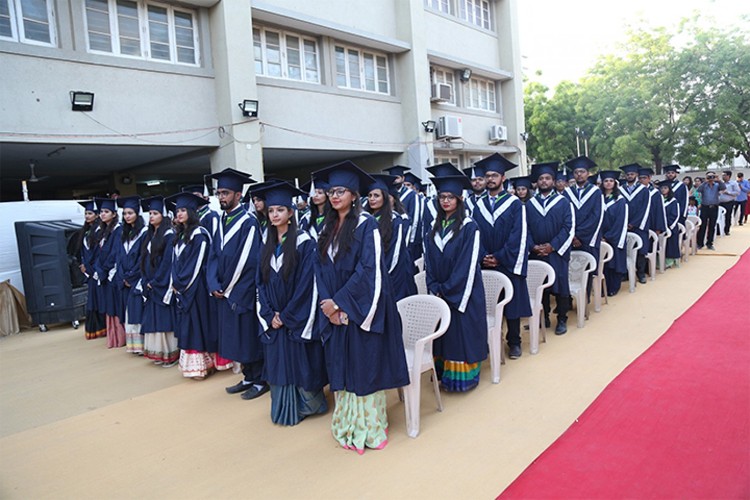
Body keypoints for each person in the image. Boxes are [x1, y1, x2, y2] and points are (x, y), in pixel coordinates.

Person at [313, 161, 409, 454]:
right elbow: (320, 269)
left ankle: (369, 427)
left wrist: (341, 303)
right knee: (343, 365)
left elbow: (369, 271)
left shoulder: (367, 225)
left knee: (363, 366)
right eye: (331, 191)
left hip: (361, 310)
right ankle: (347, 423)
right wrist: (329, 306)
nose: (334, 196)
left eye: (341, 191)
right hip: (336, 310)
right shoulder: (326, 228)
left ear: (355, 195)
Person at [254, 182, 328, 426]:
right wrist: (268, 313)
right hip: (274, 316)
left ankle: (307, 405)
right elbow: (260, 282)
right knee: (277, 361)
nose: (275, 215)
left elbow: (308, 284)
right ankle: (283, 406)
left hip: (294, 316)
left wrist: (285, 316)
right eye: (271, 210)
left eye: (280, 210)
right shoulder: (266, 243)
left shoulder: (304, 242)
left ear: (291, 213)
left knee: (300, 360)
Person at [207, 168, 267, 400]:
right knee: (235, 338)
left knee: (249, 337)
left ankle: (261, 379)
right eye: (219, 193)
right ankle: (248, 375)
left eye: (225, 193)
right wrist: (213, 283)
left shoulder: (248, 222)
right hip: (223, 291)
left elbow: (249, 260)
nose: (221, 197)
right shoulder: (221, 221)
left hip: (243, 292)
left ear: (238, 195)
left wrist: (229, 288)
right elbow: (212, 256)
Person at [423, 175, 487, 389]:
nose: (446, 201)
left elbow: (467, 264)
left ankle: (461, 380)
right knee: (444, 332)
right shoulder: (433, 227)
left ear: (460, 199)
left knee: (461, 332)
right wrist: (434, 286)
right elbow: (429, 261)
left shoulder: (470, 227)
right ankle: (442, 373)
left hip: (464, 292)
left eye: (451, 197)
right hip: (441, 289)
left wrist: (448, 290)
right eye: (442, 197)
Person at [470, 153, 530, 360]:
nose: (490, 179)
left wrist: (500, 257)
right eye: (487, 176)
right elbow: (474, 233)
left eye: (494, 175)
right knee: (486, 304)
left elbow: (518, 235)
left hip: (507, 261)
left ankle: (514, 342)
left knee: (511, 304)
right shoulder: (478, 205)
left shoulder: (515, 204)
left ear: (503, 178)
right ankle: (488, 342)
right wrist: (483, 256)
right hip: (486, 263)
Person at [166, 192, 215, 380]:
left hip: (196, 287)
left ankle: (203, 365)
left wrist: (181, 284)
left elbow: (196, 265)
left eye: (183, 210)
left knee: (197, 324)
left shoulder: (200, 235)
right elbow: (175, 262)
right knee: (188, 324)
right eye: (177, 211)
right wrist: (175, 283)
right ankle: (194, 365)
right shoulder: (179, 235)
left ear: (192, 212)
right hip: (182, 288)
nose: (179, 214)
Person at [526, 162, 574, 335]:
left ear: (553, 181)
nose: (544, 181)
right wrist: (533, 246)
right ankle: (543, 317)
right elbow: (526, 229)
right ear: (537, 182)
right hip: (537, 252)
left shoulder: (563, 202)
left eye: (547, 178)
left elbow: (568, 228)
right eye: (541, 179)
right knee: (541, 288)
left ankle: (562, 319)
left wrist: (552, 246)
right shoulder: (530, 204)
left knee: (561, 286)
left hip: (556, 253)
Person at [139, 196, 177, 366]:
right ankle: (158, 353)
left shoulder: (169, 235)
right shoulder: (150, 235)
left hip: (161, 284)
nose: (151, 216)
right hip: (151, 283)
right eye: (150, 213)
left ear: (164, 215)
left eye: (155, 213)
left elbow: (167, 263)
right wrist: (146, 279)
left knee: (164, 319)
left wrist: (155, 281)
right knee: (154, 319)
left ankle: (170, 353)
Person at [366, 175, 417, 301]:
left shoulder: (395, 220)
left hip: (390, 277)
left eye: (376, 195)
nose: (372, 199)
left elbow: (395, 255)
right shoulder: (365, 220)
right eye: (370, 195)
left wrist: (380, 278)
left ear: (385, 197)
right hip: (368, 277)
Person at [116, 196, 147, 355]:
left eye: (130, 213)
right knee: (129, 312)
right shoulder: (123, 234)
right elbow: (119, 257)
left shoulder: (144, 233)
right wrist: (122, 276)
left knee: (138, 311)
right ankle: (134, 346)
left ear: (137, 214)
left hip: (137, 280)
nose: (127, 216)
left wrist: (132, 277)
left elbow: (143, 258)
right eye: (125, 213)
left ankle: (142, 346)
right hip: (126, 280)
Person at [93, 198, 125, 348]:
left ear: (114, 214)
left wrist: (104, 268)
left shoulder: (118, 230)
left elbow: (114, 253)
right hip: (103, 271)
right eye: (101, 212)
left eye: (106, 212)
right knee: (108, 304)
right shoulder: (103, 231)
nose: (103, 214)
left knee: (115, 304)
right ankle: (113, 336)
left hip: (113, 272)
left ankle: (119, 337)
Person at [563, 156, 604, 265]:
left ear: (588, 173)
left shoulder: (596, 192)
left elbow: (596, 217)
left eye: (582, 171)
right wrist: (572, 236)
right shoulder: (567, 193)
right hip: (570, 239)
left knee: (588, 272)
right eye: (576, 172)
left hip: (588, 238)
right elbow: (564, 217)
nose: (579, 174)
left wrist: (579, 236)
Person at [77, 200, 106, 340]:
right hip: (88, 271)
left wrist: (91, 269)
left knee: (98, 299)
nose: (87, 216)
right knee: (92, 299)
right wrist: (83, 265)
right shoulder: (85, 231)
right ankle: (95, 329)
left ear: (96, 216)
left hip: (96, 271)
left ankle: (102, 328)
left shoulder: (99, 230)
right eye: (86, 213)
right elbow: (83, 251)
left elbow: (98, 253)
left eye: (90, 213)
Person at [618, 164, 651, 284]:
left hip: (639, 225)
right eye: (628, 174)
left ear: (636, 175)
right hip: (624, 225)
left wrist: (633, 223)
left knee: (640, 250)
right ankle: (626, 273)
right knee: (625, 249)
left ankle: (641, 273)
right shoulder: (621, 190)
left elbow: (645, 209)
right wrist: (624, 223)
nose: (630, 176)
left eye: (632, 174)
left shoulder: (644, 190)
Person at [598, 171, 628, 296]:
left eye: (611, 181)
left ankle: (614, 287)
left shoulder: (620, 200)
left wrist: (608, 237)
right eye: (606, 181)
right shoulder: (598, 198)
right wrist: (599, 235)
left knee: (614, 262)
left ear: (615, 183)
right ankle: (603, 287)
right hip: (600, 236)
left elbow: (620, 221)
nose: (608, 183)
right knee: (603, 264)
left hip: (615, 236)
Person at [384, 165, 420, 265]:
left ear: (403, 178)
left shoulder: (411, 195)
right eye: (393, 178)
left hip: (406, 235)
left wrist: (411, 240)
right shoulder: (388, 193)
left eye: (398, 178)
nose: (395, 181)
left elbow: (415, 218)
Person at [696, 172, 726, 250]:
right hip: (705, 207)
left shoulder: (717, 185)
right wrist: (705, 181)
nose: (711, 178)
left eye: (712, 176)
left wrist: (718, 180)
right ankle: (700, 243)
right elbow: (698, 190)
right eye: (709, 176)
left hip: (714, 207)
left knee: (712, 225)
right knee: (703, 225)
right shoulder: (704, 185)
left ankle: (709, 243)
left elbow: (723, 188)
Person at [658, 180, 681, 268]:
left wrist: (668, 226)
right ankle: (659, 262)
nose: (663, 190)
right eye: (661, 188)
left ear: (669, 189)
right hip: (660, 227)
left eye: (665, 188)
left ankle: (669, 261)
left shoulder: (673, 201)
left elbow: (675, 215)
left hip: (671, 227)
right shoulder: (658, 199)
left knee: (670, 243)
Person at [718, 170, 740, 235]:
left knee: (727, 216)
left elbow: (737, 192)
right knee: (719, 217)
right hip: (719, 202)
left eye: (724, 175)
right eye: (722, 175)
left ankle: (726, 230)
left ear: (728, 176)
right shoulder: (720, 183)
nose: (723, 177)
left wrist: (728, 192)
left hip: (728, 202)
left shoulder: (733, 183)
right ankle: (719, 230)